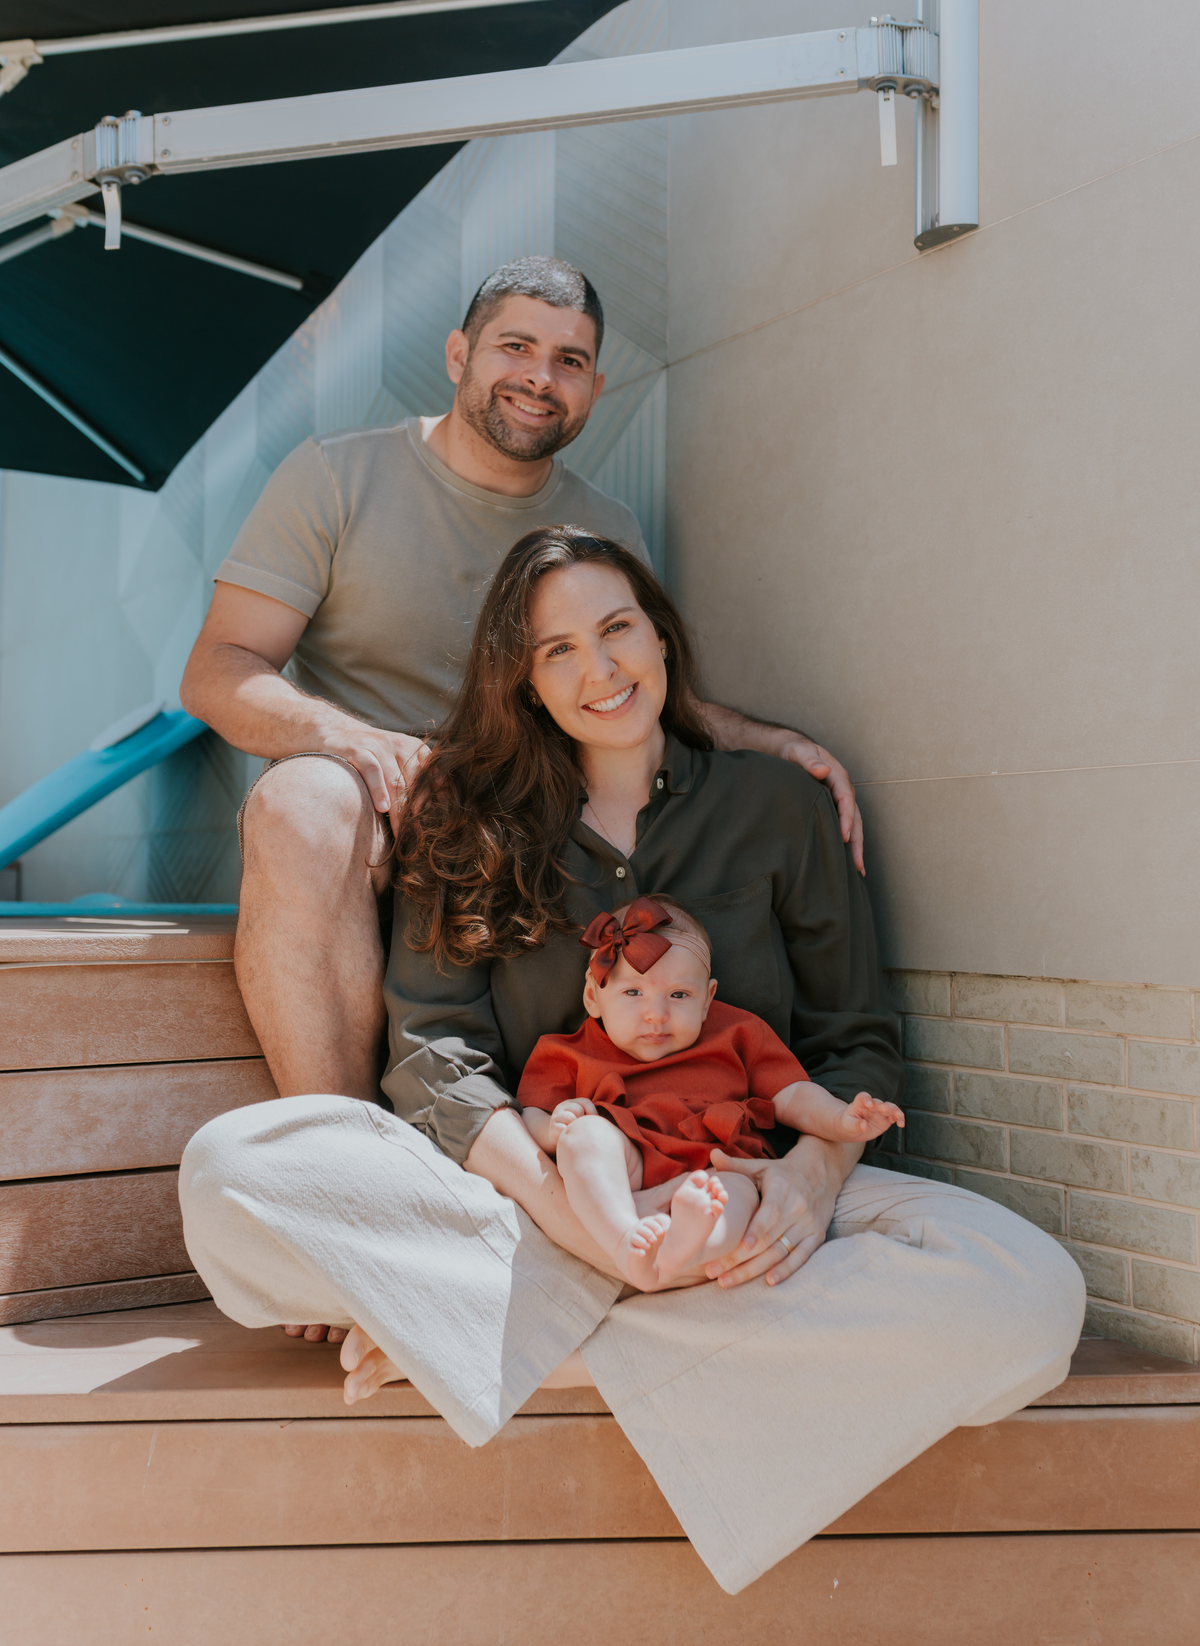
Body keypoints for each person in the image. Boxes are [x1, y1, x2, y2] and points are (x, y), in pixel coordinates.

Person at [179, 525, 1085, 1595]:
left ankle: (523, 1346)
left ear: (662, 636)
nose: (599, 669)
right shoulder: (466, 820)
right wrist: (564, 1214)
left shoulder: (778, 806)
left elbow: (856, 1038)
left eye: (616, 629)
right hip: (531, 1198)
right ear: (522, 681)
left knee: (1031, 1296)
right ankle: (608, 1306)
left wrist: (809, 1179)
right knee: (234, 1172)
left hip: (743, 1192)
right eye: (557, 650)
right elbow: (434, 1054)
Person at [179, 256, 863, 1134]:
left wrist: (772, 744)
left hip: (531, 819)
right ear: (459, 355)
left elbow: (638, 691)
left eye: (569, 360)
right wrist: (355, 741)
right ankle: (345, 1149)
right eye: (516, 347)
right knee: (299, 802)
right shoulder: (335, 478)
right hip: (391, 810)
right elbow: (218, 669)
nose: (541, 377)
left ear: (595, 389)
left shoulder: (604, 527)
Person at [518, 894, 904, 1289]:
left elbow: (791, 1094)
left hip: (716, 1165)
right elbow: (530, 1115)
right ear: (592, 997)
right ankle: (624, 1239)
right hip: (627, 1169)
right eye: (633, 993)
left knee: (737, 1194)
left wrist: (838, 1118)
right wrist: (553, 1128)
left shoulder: (737, 1034)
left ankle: (688, 1247)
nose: (656, 1014)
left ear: (707, 999)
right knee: (585, 1137)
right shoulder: (567, 1052)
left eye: (679, 995)